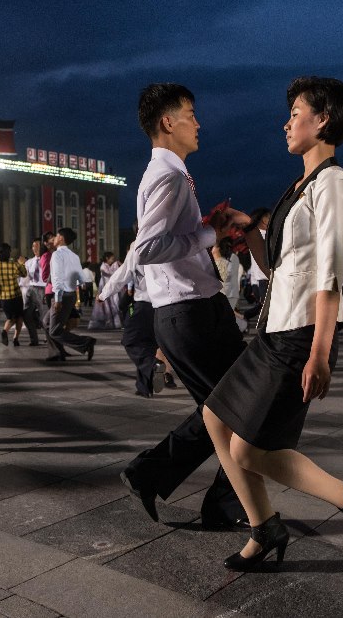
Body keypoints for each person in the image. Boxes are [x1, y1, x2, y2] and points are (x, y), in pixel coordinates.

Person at [203, 76, 343, 571]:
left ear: (322, 119)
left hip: (302, 334)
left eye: (296, 112)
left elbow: (328, 276)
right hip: (273, 328)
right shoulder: (300, 185)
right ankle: (264, 528)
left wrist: (320, 354)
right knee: (214, 418)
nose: (286, 123)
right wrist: (248, 232)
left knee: (250, 449)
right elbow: (280, 267)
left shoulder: (334, 182)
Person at [120, 83, 247, 530]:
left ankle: (161, 477)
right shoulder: (169, 176)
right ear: (167, 122)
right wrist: (209, 234)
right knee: (244, 407)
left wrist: (210, 226)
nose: (199, 123)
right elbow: (148, 247)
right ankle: (215, 502)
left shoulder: (171, 175)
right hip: (188, 312)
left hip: (193, 309)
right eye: (191, 114)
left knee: (230, 409)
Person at [98, 242, 165, 397]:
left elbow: (123, 273)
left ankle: (153, 365)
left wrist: (104, 294)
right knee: (147, 345)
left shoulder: (140, 245)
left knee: (131, 341)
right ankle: (144, 387)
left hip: (145, 304)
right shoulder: (167, 241)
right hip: (163, 305)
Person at [44, 227, 96, 361]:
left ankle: (86, 342)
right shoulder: (74, 256)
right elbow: (81, 277)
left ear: (61, 238)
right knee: (46, 322)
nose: (53, 239)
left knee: (54, 330)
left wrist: (58, 299)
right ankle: (57, 352)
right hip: (70, 295)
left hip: (62, 296)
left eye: (55, 236)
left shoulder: (57, 255)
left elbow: (57, 278)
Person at [0, 243, 26, 346]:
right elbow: (24, 274)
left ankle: (5, 331)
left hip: (4, 298)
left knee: (10, 318)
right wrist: (21, 263)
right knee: (19, 317)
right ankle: (15, 338)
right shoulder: (13, 264)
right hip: (16, 296)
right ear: (8, 253)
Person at [22, 238, 46, 346]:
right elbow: (26, 277)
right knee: (26, 314)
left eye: (37, 246)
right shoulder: (29, 262)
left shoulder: (47, 260)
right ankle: (34, 339)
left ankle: (48, 337)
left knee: (44, 315)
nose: (35, 248)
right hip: (31, 289)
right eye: (33, 246)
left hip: (43, 288)